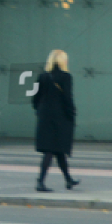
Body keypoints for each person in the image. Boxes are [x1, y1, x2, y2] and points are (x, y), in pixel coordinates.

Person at [34, 50, 77, 191]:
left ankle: (68, 180)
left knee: (57, 150)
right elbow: (67, 98)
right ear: (63, 61)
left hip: (45, 118)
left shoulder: (42, 76)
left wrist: (40, 111)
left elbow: (35, 98)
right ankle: (40, 182)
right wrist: (72, 114)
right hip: (60, 118)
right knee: (52, 150)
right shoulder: (66, 77)